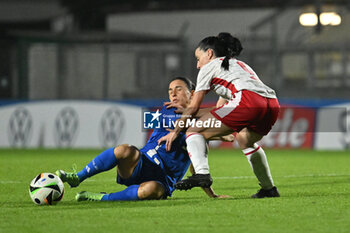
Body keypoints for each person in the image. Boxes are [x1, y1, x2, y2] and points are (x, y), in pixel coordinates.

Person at [56, 77, 232, 201]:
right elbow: (182, 124)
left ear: (192, 94)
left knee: (152, 190)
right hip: (141, 163)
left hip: (163, 181)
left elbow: (196, 168)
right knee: (125, 150)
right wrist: (220, 131)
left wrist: (213, 195)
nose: (173, 94)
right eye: (170, 90)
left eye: (178, 89)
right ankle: (77, 177)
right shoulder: (169, 110)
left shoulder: (199, 132)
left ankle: (100, 197)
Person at [158, 32, 280, 198]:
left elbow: (193, 108)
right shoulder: (236, 65)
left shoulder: (209, 67)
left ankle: (202, 174)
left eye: (198, 58)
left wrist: (175, 131)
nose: (197, 65)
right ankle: (269, 189)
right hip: (271, 103)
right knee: (245, 139)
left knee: (194, 130)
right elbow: (221, 110)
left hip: (247, 100)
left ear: (209, 53)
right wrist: (190, 112)